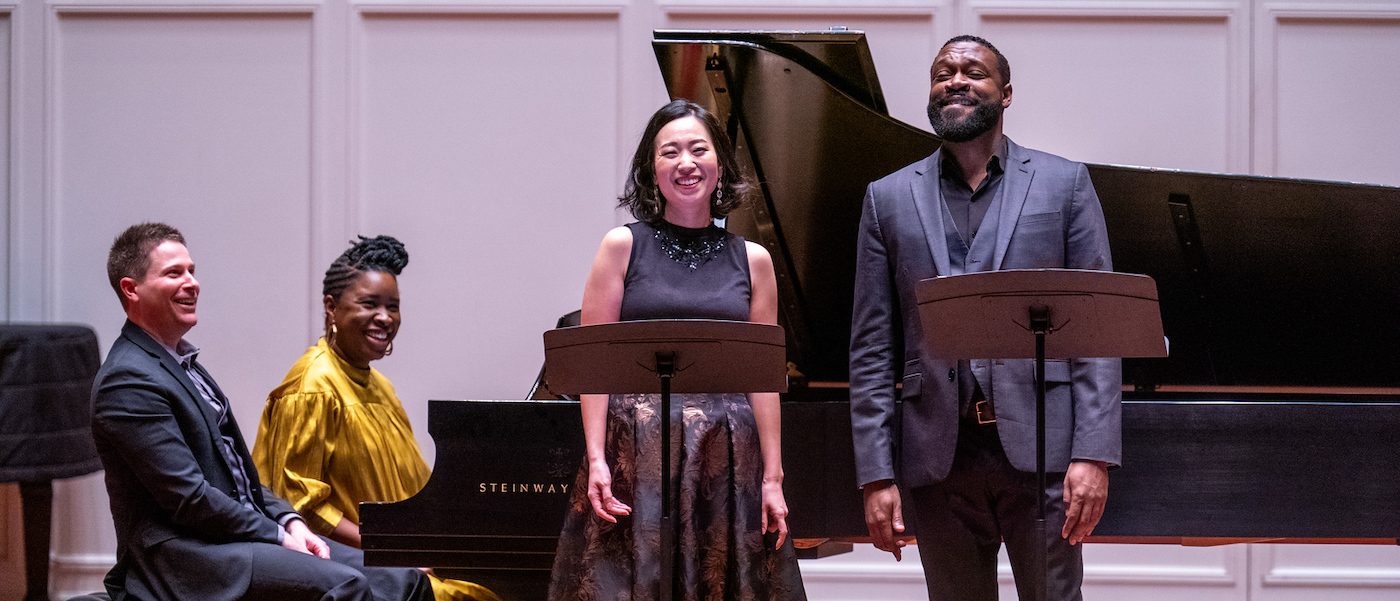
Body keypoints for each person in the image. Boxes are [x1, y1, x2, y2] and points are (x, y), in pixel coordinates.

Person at [849, 36, 1122, 601]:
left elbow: (1099, 330)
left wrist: (1093, 455)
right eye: (942, 72)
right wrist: (876, 474)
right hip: (936, 457)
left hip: (1044, 453)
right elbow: (872, 347)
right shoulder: (887, 197)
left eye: (973, 72)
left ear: (1006, 94)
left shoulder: (1064, 184)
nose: (955, 81)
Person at [547, 99, 807, 601]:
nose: (685, 163)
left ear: (719, 165)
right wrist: (596, 459)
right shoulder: (621, 245)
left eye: (698, 149)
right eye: (670, 152)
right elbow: (595, 362)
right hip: (635, 453)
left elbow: (765, 378)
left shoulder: (753, 260)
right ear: (652, 170)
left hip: (727, 456)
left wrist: (772, 478)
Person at [91, 222, 434, 601]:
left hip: (234, 539)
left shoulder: (183, 363)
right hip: (188, 556)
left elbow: (243, 479)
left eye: (191, 271)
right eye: (174, 273)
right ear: (131, 289)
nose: (192, 282)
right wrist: (276, 534)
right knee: (346, 585)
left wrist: (290, 520)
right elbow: (189, 499)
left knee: (406, 580)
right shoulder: (127, 379)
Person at [251, 235, 499, 601]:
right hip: (357, 571)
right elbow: (302, 508)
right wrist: (394, 553)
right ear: (331, 307)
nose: (385, 317)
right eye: (370, 304)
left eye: (393, 306)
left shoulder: (380, 386)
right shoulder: (313, 386)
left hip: (404, 560)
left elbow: (413, 488)